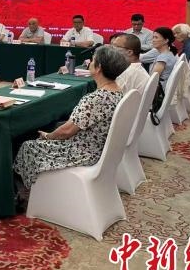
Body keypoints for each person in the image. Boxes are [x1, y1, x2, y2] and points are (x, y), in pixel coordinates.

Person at [13, 45, 128, 191]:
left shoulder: (95, 99)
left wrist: (48, 136)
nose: (90, 63)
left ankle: (20, 192)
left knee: (26, 145)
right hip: (99, 150)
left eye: (93, 60)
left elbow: (66, 131)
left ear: (99, 68)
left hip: (82, 153)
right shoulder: (118, 92)